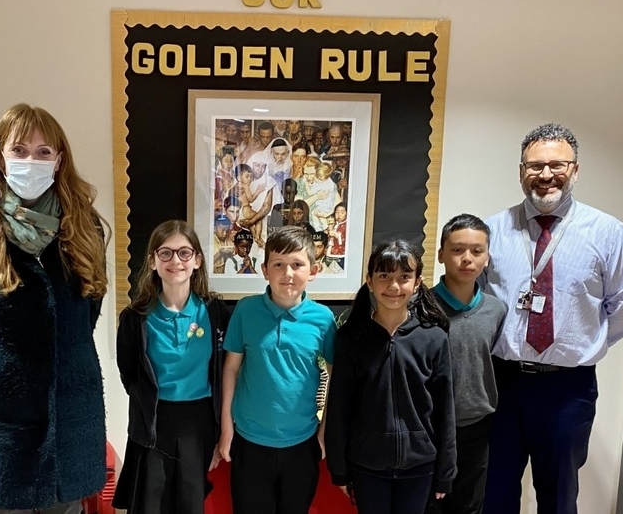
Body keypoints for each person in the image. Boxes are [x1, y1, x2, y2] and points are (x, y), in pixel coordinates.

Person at [0, 103, 110, 513]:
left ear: (60, 159)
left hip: (70, 407)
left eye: (44, 151)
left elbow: (87, 312)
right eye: (21, 150)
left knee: (65, 507)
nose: (32, 160)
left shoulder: (84, 226)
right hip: (2, 416)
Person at [483, 123, 623, 514]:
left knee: (557, 497)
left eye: (557, 164)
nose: (545, 175)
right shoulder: (492, 230)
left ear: (575, 169)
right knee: (493, 493)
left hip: (567, 389)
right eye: (534, 166)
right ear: (521, 171)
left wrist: (582, 345)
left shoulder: (608, 232)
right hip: (501, 383)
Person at [324, 240, 456, 514]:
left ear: (417, 282)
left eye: (404, 277)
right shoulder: (351, 338)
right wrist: (339, 468)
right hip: (367, 466)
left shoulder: (433, 338)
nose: (394, 287)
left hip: (419, 466)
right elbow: (338, 408)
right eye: (384, 276)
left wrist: (445, 470)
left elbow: (445, 411)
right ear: (369, 281)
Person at [216, 226, 337, 514]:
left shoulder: (323, 319)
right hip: (249, 441)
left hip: (302, 442)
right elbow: (231, 369)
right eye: (278, 264)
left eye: (297, 264)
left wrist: (323, 433)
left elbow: (333, 376)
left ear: (313, 270)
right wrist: (226, 428)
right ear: (264, 270)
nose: (288, 273)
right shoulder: (246, 311)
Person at [113, 220, 231, 514]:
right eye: (165, 253)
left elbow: (226, 372)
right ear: (152, 261)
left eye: (184, 253)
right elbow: (129, 374)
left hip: (199, 422)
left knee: (191, 503)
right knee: (150, 504)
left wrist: (220, 430)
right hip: (153, 422)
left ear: (197, 261)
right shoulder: (135, 317)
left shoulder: (215, 313)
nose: (175, 261)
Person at [427, 214, 507, 514]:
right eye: (458, 249)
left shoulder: (496, 310)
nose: (467, 259)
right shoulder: (418, 306)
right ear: (441, 254)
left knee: (468, 506)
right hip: (428, 427)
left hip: (476, 427)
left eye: (477, 251)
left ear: (487, 257)